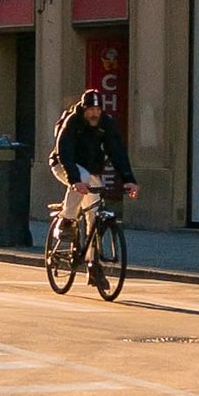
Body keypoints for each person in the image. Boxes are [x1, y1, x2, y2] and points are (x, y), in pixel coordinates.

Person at [48, 85, 135, 288]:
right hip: (63, 165)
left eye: (97, 110)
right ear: (84, 109)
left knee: (95, 217)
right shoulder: (72, 121)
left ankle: (92, 264)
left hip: (88, 170)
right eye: (90, 110)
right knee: (83, 178)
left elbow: (117, 152)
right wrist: (74, 180)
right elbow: (64, 151)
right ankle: (67, 220)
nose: (94, 114)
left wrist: (128, 179)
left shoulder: (106, 124)